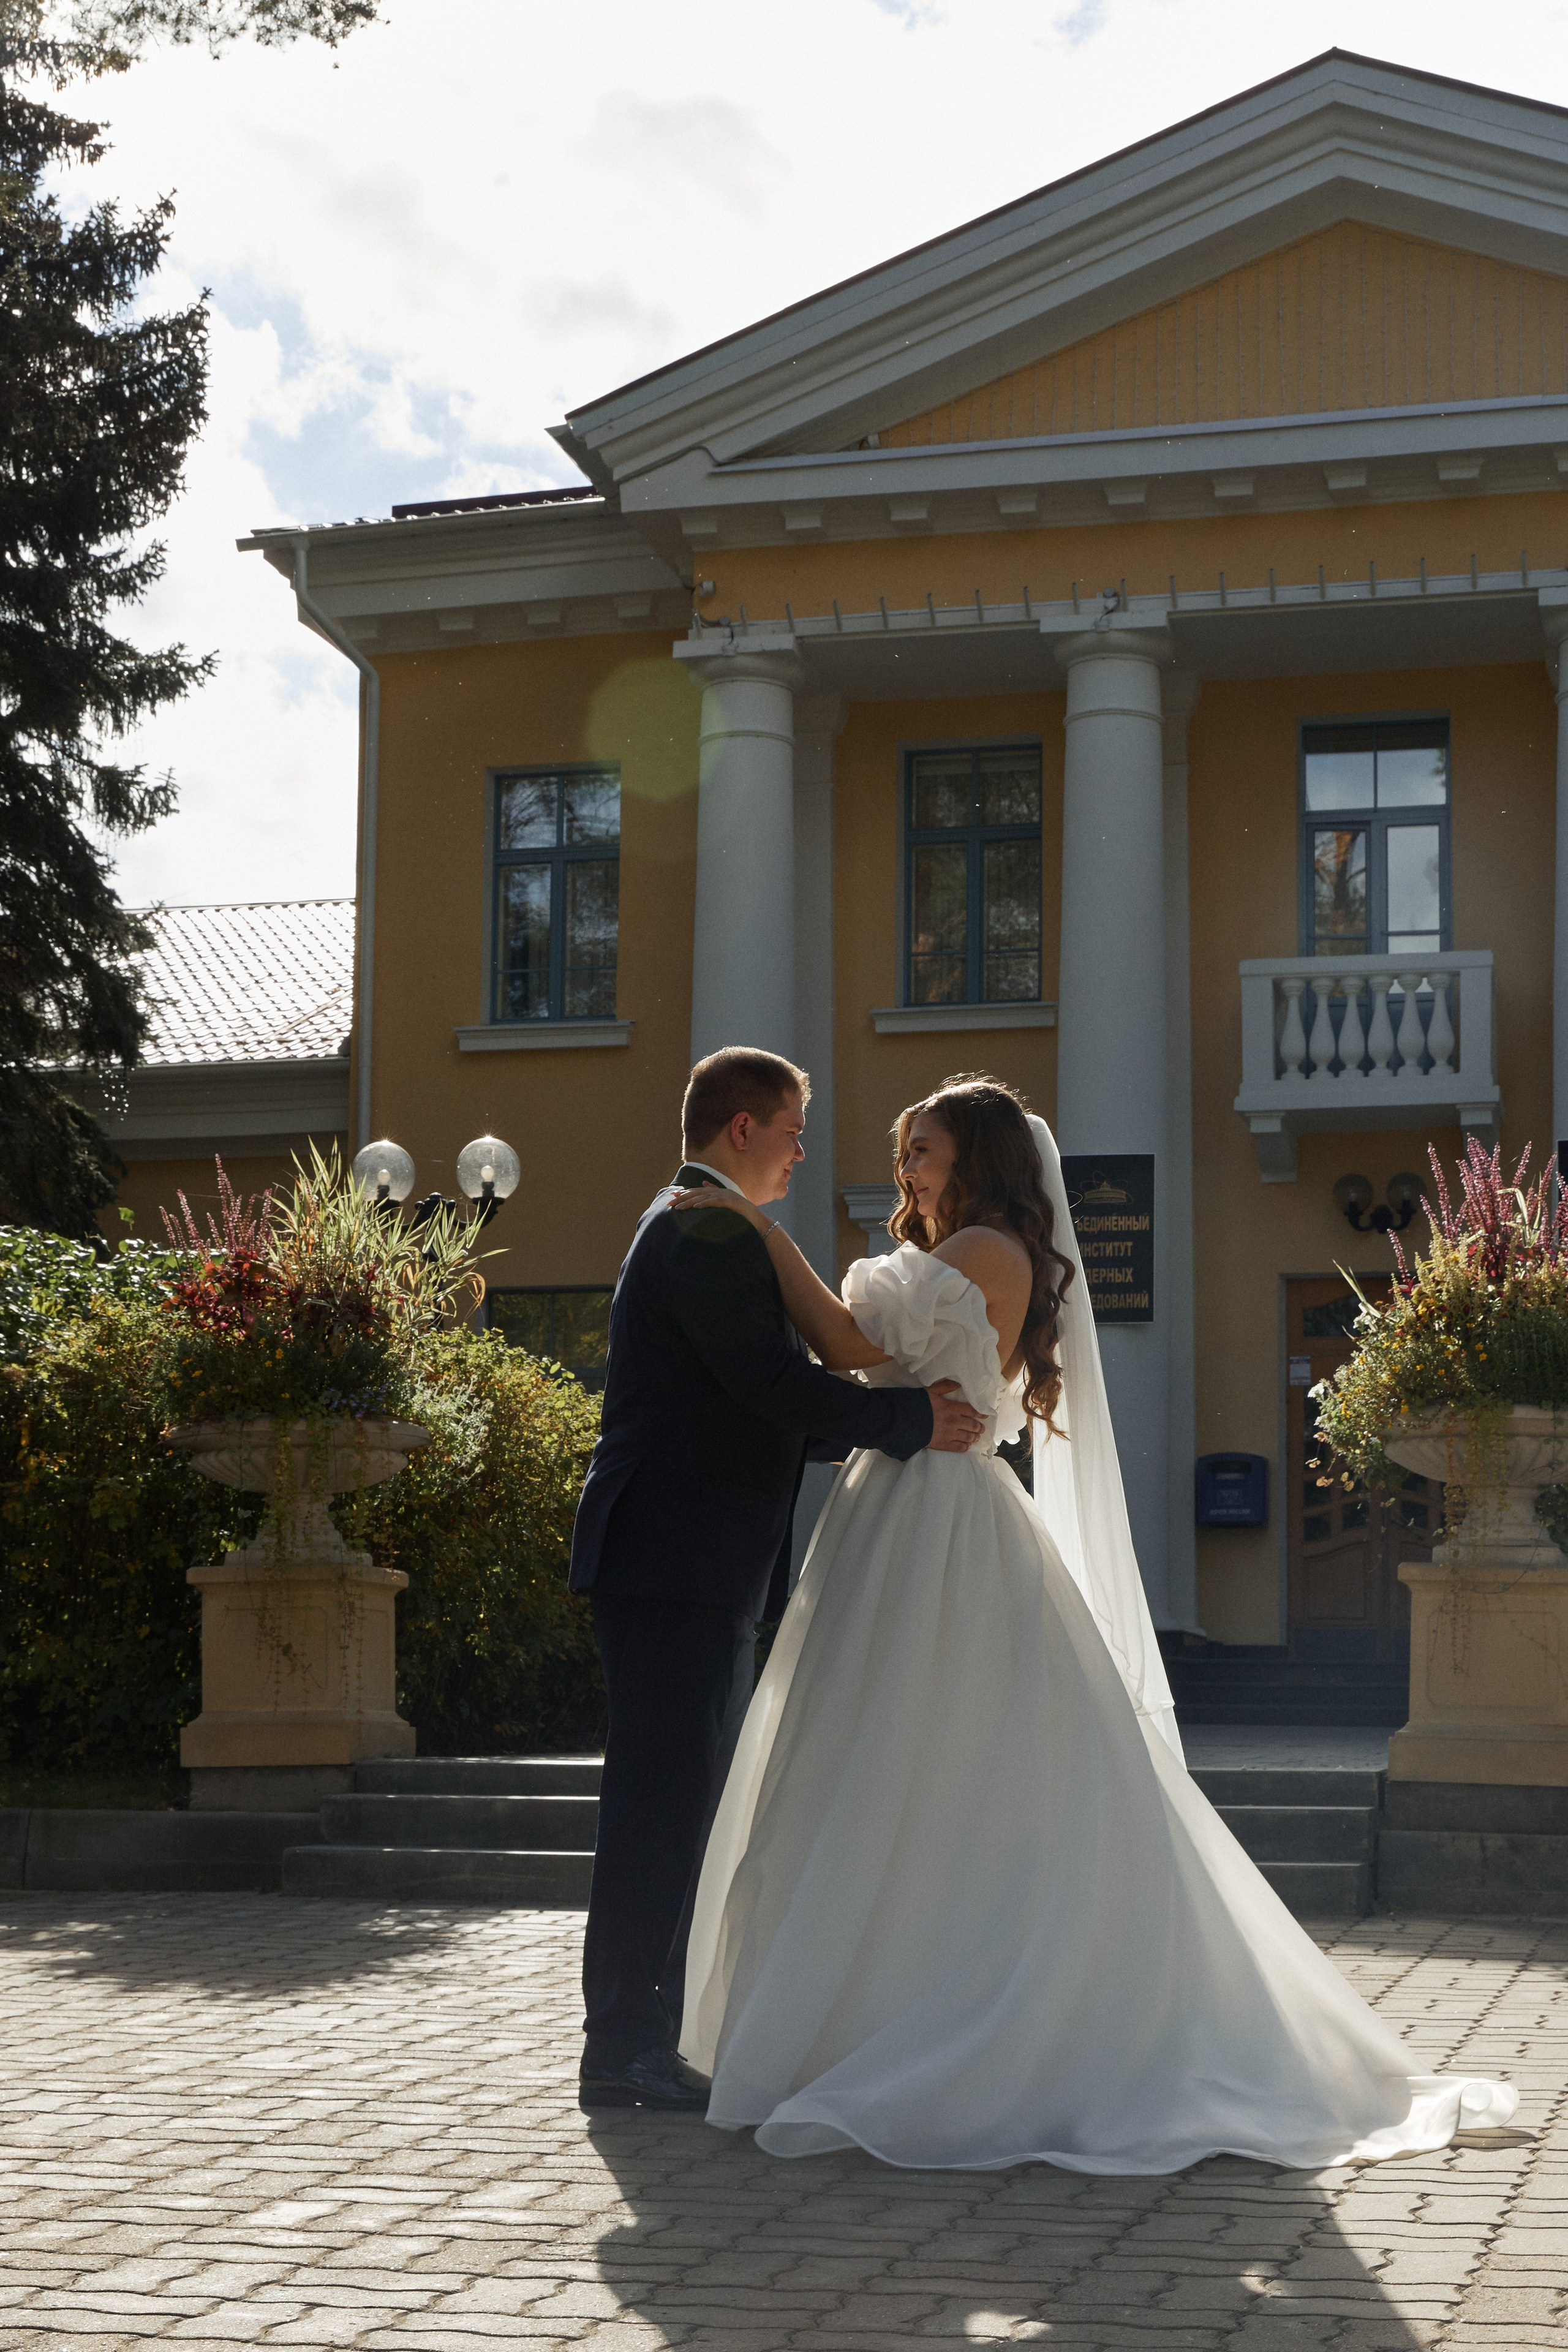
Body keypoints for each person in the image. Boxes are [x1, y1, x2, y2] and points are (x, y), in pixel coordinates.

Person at [669, 1076, 1517, 2172]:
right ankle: (859, 2014)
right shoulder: (962, 1249)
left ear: (975, 1156)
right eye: (906, 1151)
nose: (906, 1171)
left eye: (921, 1150)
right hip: (894, 1515)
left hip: (943, 1525)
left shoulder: (992, 1255)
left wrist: (749, 1223)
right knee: (873, 1764)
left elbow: (839, 1342)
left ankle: (974, 2021)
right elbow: (864, 1355)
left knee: (937, 1756)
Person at [569, 1046, 986, 2114]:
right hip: (673, 1556)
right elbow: (767, 1386)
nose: (805, 1148)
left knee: (682, 1799)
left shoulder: (710, 1223)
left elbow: (749, 1409)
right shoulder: (702, 1225)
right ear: (741, 1129)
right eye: (794, 1128)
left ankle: (642, 2039)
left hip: (693, 1555)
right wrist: (908, 1423)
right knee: (660, 1805)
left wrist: (880, 1432)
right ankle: (620, 2047)